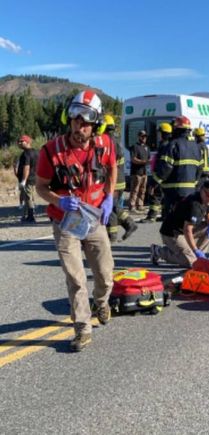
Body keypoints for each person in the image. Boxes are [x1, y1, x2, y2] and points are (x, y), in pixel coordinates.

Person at [35, 90, 116, 352]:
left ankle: (101, 302)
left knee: (105, 274)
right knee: (76, 278)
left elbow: (113, 167)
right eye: (74, 119)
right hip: (65, 221)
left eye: (85, 121)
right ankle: (82, 328)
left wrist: (109, 197)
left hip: (94, 219)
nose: (78, 126)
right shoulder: (50, 151)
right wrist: (58, 201)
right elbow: (41, 187)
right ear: (67, 118)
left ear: (96, 123)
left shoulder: (105, 145)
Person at [150, 179, 209, 268]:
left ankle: (199, 259)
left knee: (208, 228)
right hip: (172, 234)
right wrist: (195, 250)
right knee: (190, 262)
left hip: (183, 231)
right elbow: (187, 230)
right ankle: (158, 251)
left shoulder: (204, 199)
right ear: (202, 190)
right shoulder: (195, 205)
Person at [154, 116, 204, 220]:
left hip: (173, 193)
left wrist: (155, 181)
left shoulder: (173, 145)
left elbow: (166, 167)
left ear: (176, 129)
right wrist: (194, 183)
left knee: (170, 226)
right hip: (190, 191)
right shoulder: (196, 147)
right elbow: (200, 168)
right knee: (185, 222)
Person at [103, 115, 138, 243]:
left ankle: (112, 235)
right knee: (114, 207)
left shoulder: (107, 142)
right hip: (120, 179)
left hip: (114, 181)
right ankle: (129, 224)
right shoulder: (116, 141)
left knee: (111, 207)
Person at [141, 122, 172, 222]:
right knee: (162, 196)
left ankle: (151, 216)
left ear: (162, 133)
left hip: (159, 175)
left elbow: (161, 163)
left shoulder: (164, 146)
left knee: (155, 195)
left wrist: (156, 180)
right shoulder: (168, 145)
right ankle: (164, 215)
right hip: (163, 176)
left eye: (160, 133)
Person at [15, 134, 37, 223]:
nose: (19, 143)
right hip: (34, 178)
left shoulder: (26, 154)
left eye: (21, 141)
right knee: (30, 197)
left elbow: (26, 167)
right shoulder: (36, 152)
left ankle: (31, 217)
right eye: (19, 141)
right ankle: (28, 215)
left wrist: (23, 180)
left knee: (28, 198)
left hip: (28, 179)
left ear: (27, 142)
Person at [128, 130, 149, 213]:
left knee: (143, 190)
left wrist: (149, 161)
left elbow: (149, 158)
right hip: (136, 172)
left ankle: (140, 205)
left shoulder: (147, 147)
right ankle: (132, 206)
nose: (144, 138)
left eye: (145, 137)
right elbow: (133, 159)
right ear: (139, 137)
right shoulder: (135, 146)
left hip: (144, 172)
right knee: (135, 189)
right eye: (142, 136)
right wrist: (142, 162)